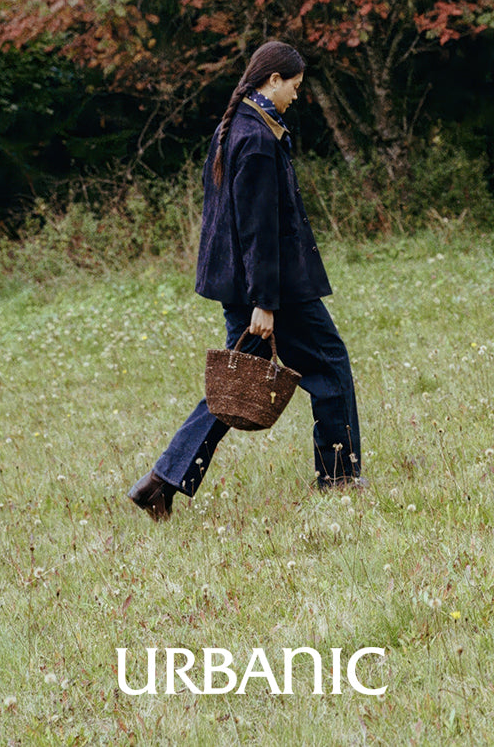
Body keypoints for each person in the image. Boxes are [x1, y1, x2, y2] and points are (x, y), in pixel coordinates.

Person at [128, 40, 363, 520]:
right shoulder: (254, 137)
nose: (296, 96)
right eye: (294, 87)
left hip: (251, 285)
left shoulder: (234, 127)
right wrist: (265, 301)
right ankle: (339, 477)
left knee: (235, 385)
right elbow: (256, 227)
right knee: (330, 364)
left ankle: (161, 481)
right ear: (272, 80)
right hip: (270, 289)